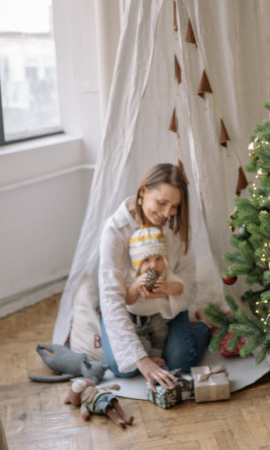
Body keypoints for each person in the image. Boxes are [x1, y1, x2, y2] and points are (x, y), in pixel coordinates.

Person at [98, 163, 212, 392]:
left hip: (166, 310)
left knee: (180, 361)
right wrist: (142, 360)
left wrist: (168, 290)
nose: (168, 213)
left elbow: (189, 282)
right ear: (143, 192)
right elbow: (111, 296)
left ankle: (204, 325)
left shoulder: (176, 227)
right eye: (161, 203)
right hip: (132, 311)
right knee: (124, 367)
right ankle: (134, 343)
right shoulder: (115, 230)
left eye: (175, 206)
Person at [126, 225, 182, 359]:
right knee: (138, 340)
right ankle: (145, 354)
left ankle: (157, 355)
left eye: (158, 259)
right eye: (146, 260)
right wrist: (135, 286)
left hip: (158, 316)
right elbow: (128, 300)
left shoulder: (165, 274)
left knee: (160, 335)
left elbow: (179, 288)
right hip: (135, 318)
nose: (153, 265)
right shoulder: (132, 276)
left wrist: (167, 287)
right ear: (137, 263)